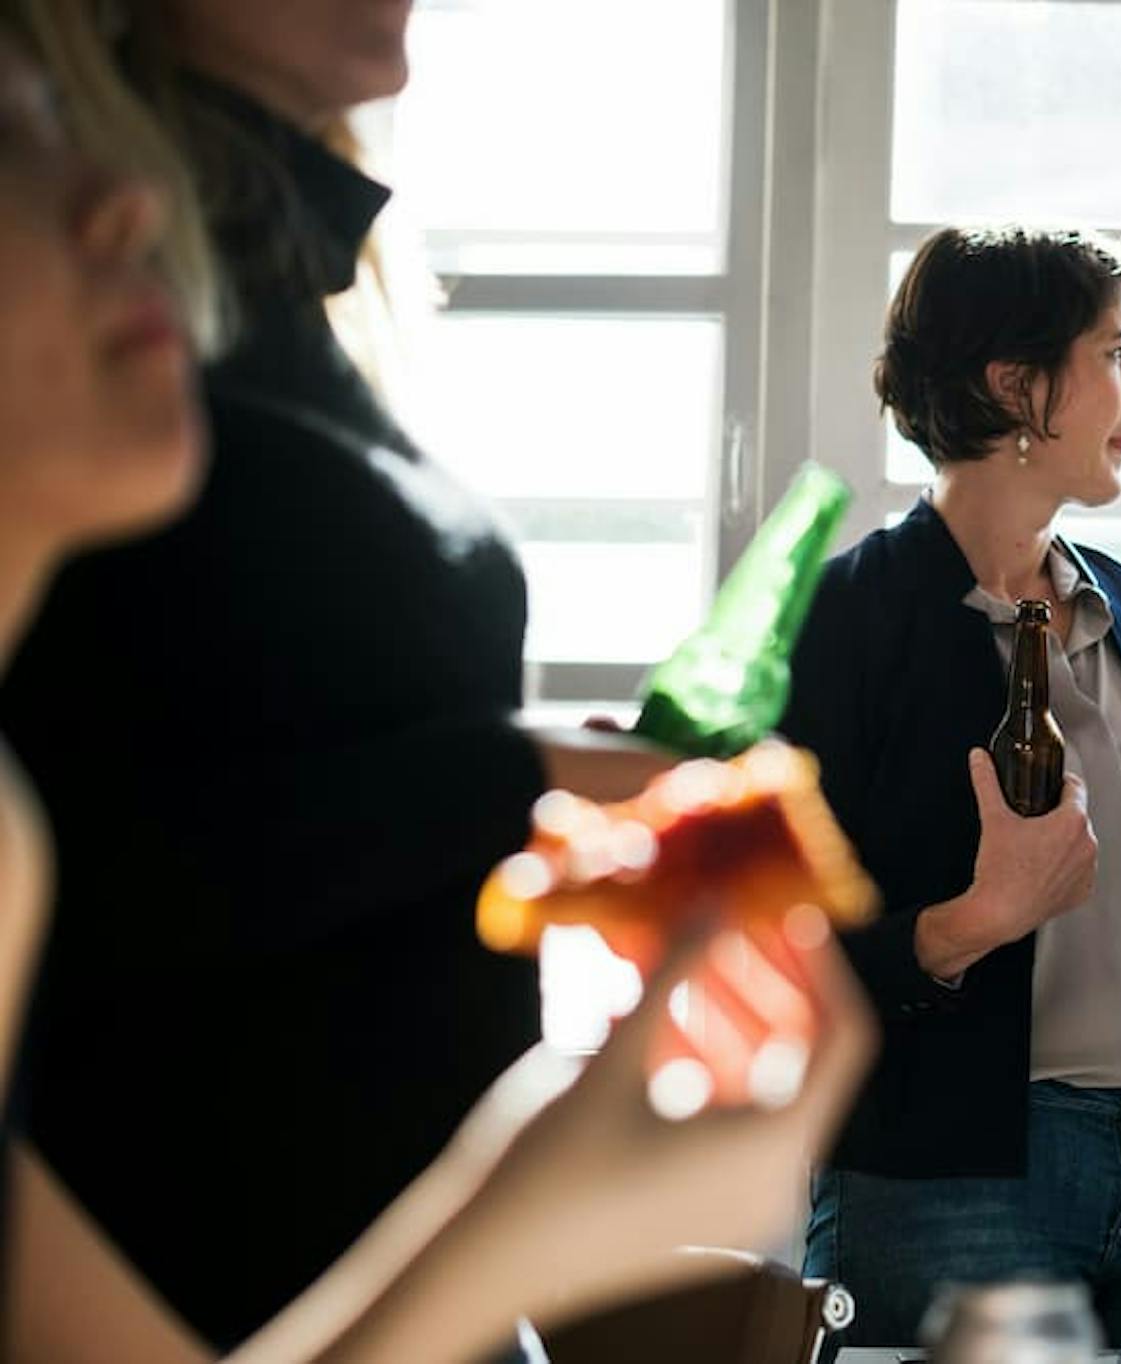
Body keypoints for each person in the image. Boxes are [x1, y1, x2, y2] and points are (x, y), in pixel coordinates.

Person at [0, 17, 873, 1360]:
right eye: (20, 146)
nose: (120, 211)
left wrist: (513, 1228)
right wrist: (505, 780)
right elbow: (127, 846)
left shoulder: (289, 318)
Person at [781, 225, 1121, 1349]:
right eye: (1115, 352)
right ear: (1013, 383)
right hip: (949, 1180)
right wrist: (968, 925)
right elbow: (776, 954)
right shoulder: (842, 622)